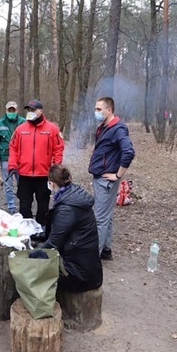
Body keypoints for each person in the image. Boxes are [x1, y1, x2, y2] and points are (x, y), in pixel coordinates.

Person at [88, 97, 135, 260]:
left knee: (99, 219)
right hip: (101, 177)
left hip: (106, 180)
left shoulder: (118, 129)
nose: (96, 112)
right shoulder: (104, 127)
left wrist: (118, 175)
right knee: (106, 216)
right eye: (96, 109)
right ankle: (106, 250)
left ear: (109, 110)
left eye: (99, 109)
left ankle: (93, 258)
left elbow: (128, 152)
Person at [44, 165, 102, 292]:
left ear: (52, 184)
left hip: (80, 274)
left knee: (39, 277)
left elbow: (53, 243)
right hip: (89, 267)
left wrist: (31, 256)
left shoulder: (67, 208)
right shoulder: (74, 195)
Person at [8, 99, 65, 227]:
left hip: (44, 175)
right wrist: (12, 165)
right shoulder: (20, 129)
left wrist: (55, 168)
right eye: (29, 110)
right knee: (24, 205)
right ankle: (27, 231)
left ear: (41, 111)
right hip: (24, 175)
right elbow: (13, 148)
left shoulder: (52, 129)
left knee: (43, 205)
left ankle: (41, 230)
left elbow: (58, 149)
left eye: (33, 110)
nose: (30, 112)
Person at [0, 101, 25, 213]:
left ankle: (23, 206)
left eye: (13, 110)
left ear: (17, 110)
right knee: (8, 185)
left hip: (21, 159)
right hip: (5, 158)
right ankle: (11, 207)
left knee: (22, 184)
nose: (12, 112)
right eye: (10, 110)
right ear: (6, 111)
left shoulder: (24, 122)